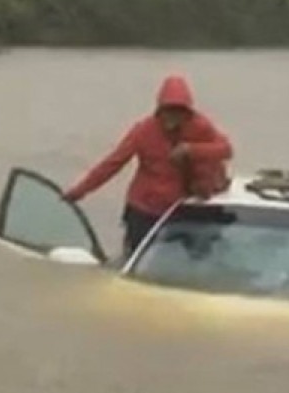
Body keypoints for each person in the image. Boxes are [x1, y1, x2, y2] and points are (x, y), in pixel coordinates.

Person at [63, 74, 233, 258]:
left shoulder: (201, 127)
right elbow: (112, 164)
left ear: (187, 112)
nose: (172, 117)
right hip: (144, 210)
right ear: (159, 110)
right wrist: (80, 191)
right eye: (168, 111)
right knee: (137, 257)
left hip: (185, 208)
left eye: (178, 111)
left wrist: (191, 150)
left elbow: (226, 150)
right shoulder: (143, 131)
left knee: (197, 258)